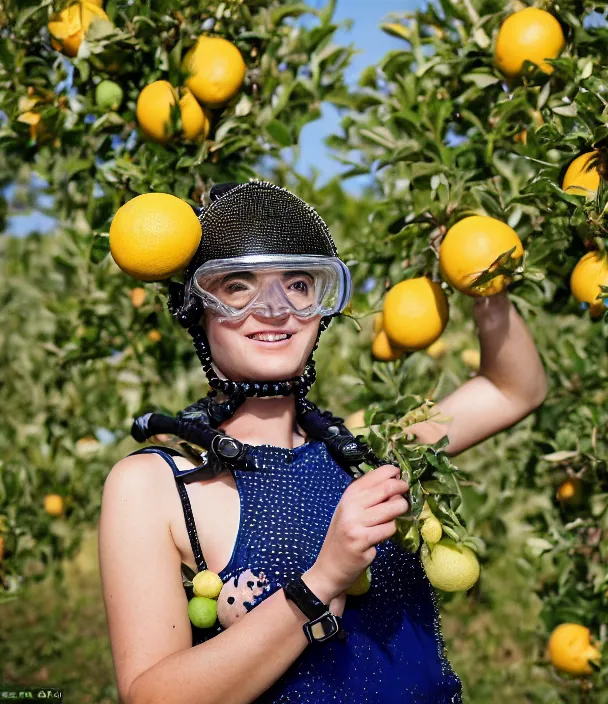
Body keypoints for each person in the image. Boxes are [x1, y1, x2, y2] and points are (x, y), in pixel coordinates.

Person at [98, 180, 548, 704]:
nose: (275, 308)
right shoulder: (157, 485)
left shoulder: (367, 448)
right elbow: (152, 696)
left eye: (299, 285)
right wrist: (321, 582)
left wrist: (481, 275)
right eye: (239, 286)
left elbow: (513, 389)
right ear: (196, 308)